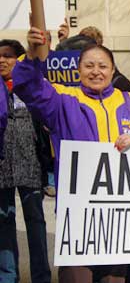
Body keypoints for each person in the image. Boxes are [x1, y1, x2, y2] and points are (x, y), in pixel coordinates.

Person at [13, 27, 130, 283]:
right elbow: (26, 86)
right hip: (79, 217)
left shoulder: (129, 101)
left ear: (113, 71)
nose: (96, 71)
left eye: (103, 66)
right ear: (78, 70)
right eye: (89, 65)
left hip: (119, 217)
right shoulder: (62, 99)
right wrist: (32, 54)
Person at [0, 39, 52, 283]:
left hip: (30, 159)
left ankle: (41, 275)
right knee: (4, 220)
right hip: (2, 162)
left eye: (9, 55)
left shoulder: (32, 85)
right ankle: (8, 275)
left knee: (35, 220)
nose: (2, 60)